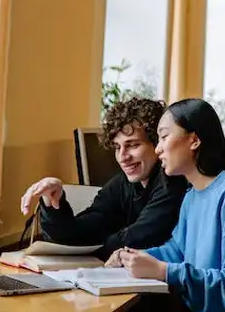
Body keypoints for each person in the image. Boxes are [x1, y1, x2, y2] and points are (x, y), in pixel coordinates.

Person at [114, 98, 225, 312]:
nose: (157, 150)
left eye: (164, 137)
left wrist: (163, 271)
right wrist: (134, 257)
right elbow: (178, 250)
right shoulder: (192, 195)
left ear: (194, 140)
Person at [19, 97, 188, 260]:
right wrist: (53, 202)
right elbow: (79, 232)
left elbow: (142, 236)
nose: (122, 157)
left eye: (133, 145)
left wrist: (95, 249)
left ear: (158, 144)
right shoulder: (121, 184)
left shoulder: (173, 181)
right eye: (117, 147)